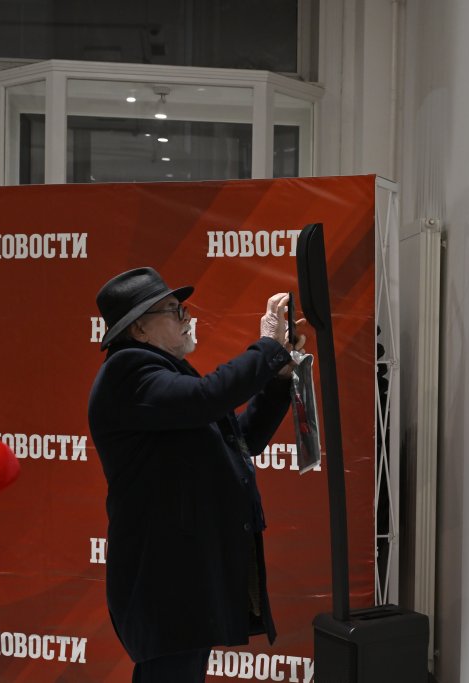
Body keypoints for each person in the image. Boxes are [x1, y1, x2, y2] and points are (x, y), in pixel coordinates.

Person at [87, 267, 305, 683]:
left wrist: (277, 379)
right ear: (139, 330)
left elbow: (242, 439)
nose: (187, 317)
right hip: (163, 582)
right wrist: (267, 347)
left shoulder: (160, 377)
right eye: (174, 310)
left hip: (183, 578)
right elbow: (209, 398)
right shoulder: (127, 373)